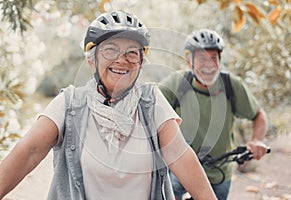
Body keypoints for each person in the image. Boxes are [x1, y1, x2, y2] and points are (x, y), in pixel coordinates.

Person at [0, 11, 217, 200]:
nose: (121, 60)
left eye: (132, 53)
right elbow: (29, 151)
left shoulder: (151, 101)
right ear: (91, 59)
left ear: (141, 62)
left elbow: (179, 154)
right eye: (110, 50)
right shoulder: (69, 104)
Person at [159, 29, 269, 200]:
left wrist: (256, 140)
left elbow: (258, 115)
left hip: (220, 171)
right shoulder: (178, 83)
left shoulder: (231, 85)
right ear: (190, 62)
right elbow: (150, 106)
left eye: (213, 58)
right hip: (182, 168)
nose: (209, 64)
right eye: (202, 59)